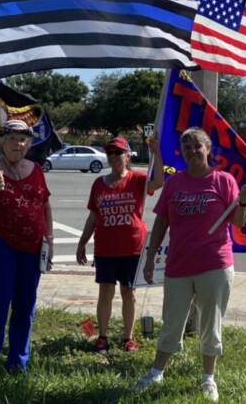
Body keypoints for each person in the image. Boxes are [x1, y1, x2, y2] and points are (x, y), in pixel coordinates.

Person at [132, 127, 246, 402]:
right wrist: (149, 259)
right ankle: (156, 372)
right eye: (187, 147)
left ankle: (208, 378)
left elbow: (238, 222)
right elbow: (162, 222)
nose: (192, 151)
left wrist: (243, 201)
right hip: (178, 264)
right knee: (172, 321)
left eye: (197, 146)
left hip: (215, 263)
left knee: (211, 323)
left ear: (208, 150)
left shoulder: (223, 181)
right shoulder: (175, 183)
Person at [0, 119, 53, 388]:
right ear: (1, 142)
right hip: (0, 247)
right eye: (14, 138)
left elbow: (45, 205)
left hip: (32, 249)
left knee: (25, 309)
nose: (20, 144)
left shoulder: (37, 170)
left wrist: (49, 240)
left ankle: (18, 364)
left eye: (25, 139)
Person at [75, 136, 163, 354]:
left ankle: (128, 338)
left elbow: (159, 182)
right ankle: (102, 338)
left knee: (128, 292)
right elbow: (93, 216)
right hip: (106, 247)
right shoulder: (99, 183)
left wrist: (156, 154)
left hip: (132, 246)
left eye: (118, 153)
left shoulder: (137, 179)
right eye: (110, 153)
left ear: (127, 156)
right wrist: (82, 242)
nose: (113, 156)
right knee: (105, 291)